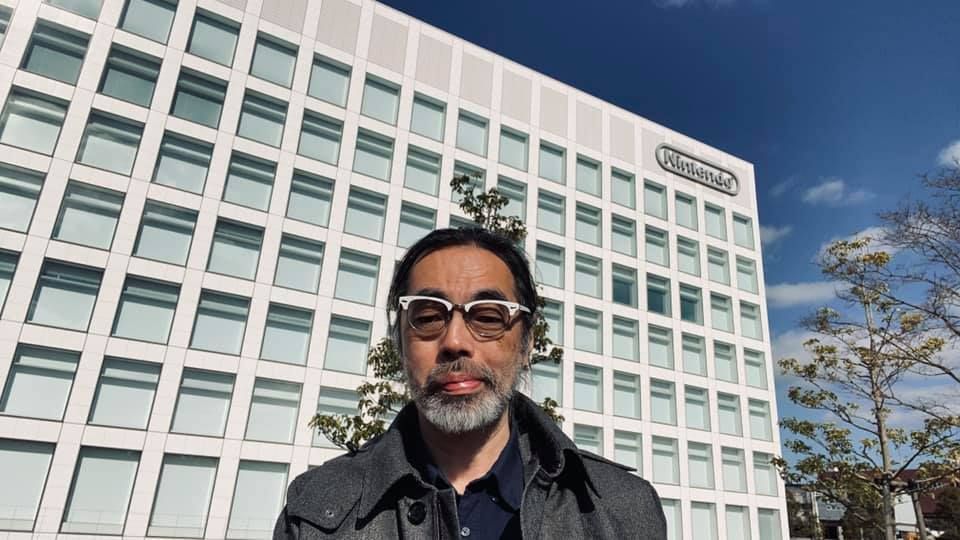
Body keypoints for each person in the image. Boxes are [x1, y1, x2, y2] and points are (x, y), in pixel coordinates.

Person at [274, 228, 666, 539]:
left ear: (527, 344)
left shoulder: (623, 509)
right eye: (427, 317)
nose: (455, 342)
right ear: (400, 343)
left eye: (489, 317)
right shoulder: (315, 513)